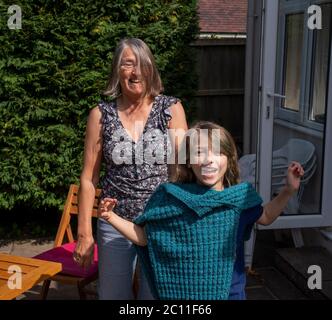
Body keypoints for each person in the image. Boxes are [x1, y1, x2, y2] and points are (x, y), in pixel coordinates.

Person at [98, 121, 304, 300]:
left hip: (231, 294)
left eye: (217, 152)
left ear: (229, 159)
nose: (208, 159)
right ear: (188, 160)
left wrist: (288, 190)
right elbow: (145, 237)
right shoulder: (169, 197)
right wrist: (111, 217)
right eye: (199, 153)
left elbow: (266, 216)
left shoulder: (240, 199)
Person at [73, 38, 188, 300]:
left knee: (156, 297)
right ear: (117, 70)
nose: (135, 72)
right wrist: (84, 233)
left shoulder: (170, 109)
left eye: (142, 65)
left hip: (159, 222)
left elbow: (183, 171)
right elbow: (89, 179)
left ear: (151, 70)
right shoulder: (100, 115)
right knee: (112, 296)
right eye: (128, 64)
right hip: (114, 221)